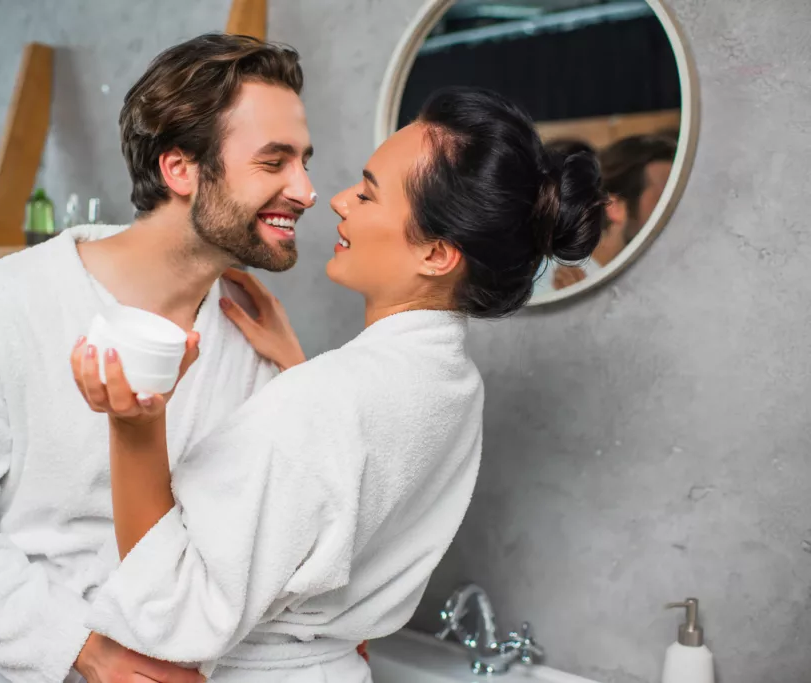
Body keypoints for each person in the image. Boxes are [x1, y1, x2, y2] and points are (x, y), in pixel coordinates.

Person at [69, 87, 607, 682]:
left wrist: (135, 427)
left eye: (370, 193)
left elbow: (172, 607)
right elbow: (354, 482)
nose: (337, 201)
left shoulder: (327, 400)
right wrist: (301, 366)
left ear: (435, 253)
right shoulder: (452, 385)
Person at [0, 33, 318, 683]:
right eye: (274, 161)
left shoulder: (254, 335)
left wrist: (299, 376)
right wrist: (84, 650)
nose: (306, 190)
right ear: (180, 169)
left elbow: (271, 541)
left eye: (304, 160)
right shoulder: (5, 306)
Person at [551, 133, 677, 290]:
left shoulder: (659, 280)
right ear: (614, 206)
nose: (677, 212)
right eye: (664, 198)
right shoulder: (552, 288)